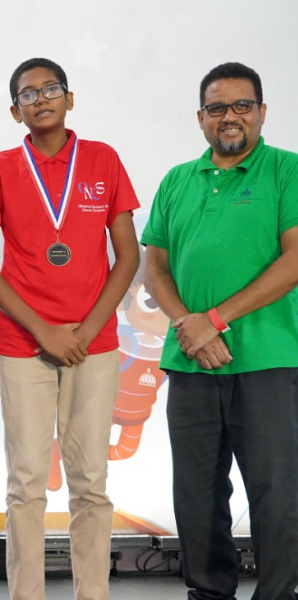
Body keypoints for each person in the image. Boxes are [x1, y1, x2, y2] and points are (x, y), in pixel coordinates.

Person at [0, 58, 140, 600]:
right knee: (26, 485)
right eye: (27, 94)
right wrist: (45, 331)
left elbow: (128, 255)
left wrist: (84, 331)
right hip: (23, 345)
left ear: (70, 97)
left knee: (91, 484)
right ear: (16, 111)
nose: (41, 99)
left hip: (95, 345)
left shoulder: (103, 159)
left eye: (51, 89)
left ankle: (94, 594)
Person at [142, 61, 298, 600]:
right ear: (201, 117)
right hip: (190, 361)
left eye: (241, 106)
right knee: (197, 496)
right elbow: (154, 266)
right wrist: (190, 325)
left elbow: (294, 260)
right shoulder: (176, 180)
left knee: (277, 494)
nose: (229, 117)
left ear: (261, 112)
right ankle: (208, 594)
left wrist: (215, 320)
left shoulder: (287, 170)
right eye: (217, 108)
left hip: (270, 360)